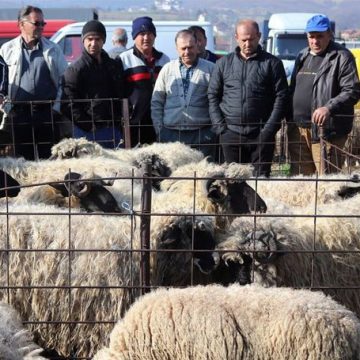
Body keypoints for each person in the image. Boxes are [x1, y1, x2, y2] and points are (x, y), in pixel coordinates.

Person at [208, 19, 288, 177]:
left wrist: (269, 129)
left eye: (251, 39)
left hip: (261, 134)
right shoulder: (223, 64)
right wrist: (221, 129)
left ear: (259, 36)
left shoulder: (272, 63)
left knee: (261, 182)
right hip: (230, 133)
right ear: (236, 37)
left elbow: (281, 97)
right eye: (244, 39)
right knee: (232, 182)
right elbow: (213, 95)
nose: (247, 43)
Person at [288, 14, 360, 175]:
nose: (315, 41)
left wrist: (328, 108)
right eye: (311, 36)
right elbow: (293, 88)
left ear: (329, 34)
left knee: (326, 182)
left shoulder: (342, 57)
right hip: (299, 130)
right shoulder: (302, 55)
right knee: (300, 181)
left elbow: (352, 91)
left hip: (326, 132)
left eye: (319, 36)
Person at [0, 5, 68, 160]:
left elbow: (64, 82)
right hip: (18, 114)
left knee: (49, 161)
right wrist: (6, 108)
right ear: (21, 24)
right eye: (37, 23)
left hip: (46, 113)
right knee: (22, 162)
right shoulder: (6, 49)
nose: (41, 27)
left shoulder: (53, 49)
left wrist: (56, 108)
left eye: (43, 24)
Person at [151, 29, 216, 159]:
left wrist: (213, 131)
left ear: (197, 46)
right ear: (177, 48)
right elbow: (157, 101)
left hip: (202, 136)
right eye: (183, 48)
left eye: (190, 47)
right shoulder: (167, 69)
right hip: (171, 135)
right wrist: (160, 129)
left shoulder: (211, 69)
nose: (187, 52)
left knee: (202, 175)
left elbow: (217, 101)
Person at [61, 20, 125, 149]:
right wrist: (89, 126)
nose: (93, 43)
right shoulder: (75, 70)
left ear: (104, 41)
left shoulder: (113, 66)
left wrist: (119, 121)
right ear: (83, 40)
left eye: (98, 39)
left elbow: (120, 94)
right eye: (89, 39)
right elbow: (68, 104)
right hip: (86, 132)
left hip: (113, 129)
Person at [120, 16, 170, 147]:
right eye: (142, 34)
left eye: (149, 33)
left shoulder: (164, 60)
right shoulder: (124, 59)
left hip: (159, 122)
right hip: (134, 124)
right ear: (134, 37)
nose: (146, 38)